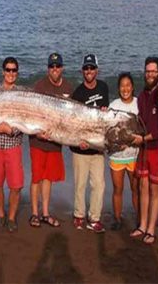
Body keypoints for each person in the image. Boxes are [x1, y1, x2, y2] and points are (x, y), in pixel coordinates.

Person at [29, 52, 73, 228]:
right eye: (51, 66)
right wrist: (38, 133)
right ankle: (34, 213)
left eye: (57, 66)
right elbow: (31, 112)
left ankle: (45, 213)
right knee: (36, 178)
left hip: (55, 141)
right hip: (38, 140)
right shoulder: (40, 85)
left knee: (48, 178)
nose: (54, 69)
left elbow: (71, 118)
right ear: (48, 69)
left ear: (62, 68)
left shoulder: (69, 88)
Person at [70, 54, 109, 234]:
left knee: (99, 184)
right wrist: (79, 143)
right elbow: (72, 122)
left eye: (92, 68)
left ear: (97, 70)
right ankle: (79, 215)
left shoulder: (103, 87)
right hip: (81, 147)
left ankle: (94, 218)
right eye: (86, 68)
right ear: (82, 71)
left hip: (97, 148)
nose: (89, 71)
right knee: (80, 184)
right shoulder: (77, 93)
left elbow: (104, 118)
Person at [0, 57, 25, 233]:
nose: (11, 73)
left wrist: (11, 131)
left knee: (16, 185)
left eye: (14, 70)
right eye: (8, 70)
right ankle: (1, 215)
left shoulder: (23, 94)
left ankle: (11, 218)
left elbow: (26, 118)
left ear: (17, 72)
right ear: (3, 71)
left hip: (13, 144)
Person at [133, 57, 158, 245]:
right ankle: (142, 225)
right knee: (142, 187)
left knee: (155, 190)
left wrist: (145, 139)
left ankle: (151, 229)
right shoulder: (143, 95)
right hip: (143, 149)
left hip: (156, 149)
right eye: (147, 71)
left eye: (153, 71)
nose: (150, 74)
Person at [107, 72, 143, 231]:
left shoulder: (138, 104)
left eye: (128, 85)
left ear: (133, 87)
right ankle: (117, 218)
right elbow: (107, 131)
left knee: (136, 189)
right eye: (122, 86)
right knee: (117, 189)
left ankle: (140, 219)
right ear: (118, 88)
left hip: (134, 156)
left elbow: (143, 128)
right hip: (117, 156)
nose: (125, 89)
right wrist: (115, 144)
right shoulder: (113, 105)